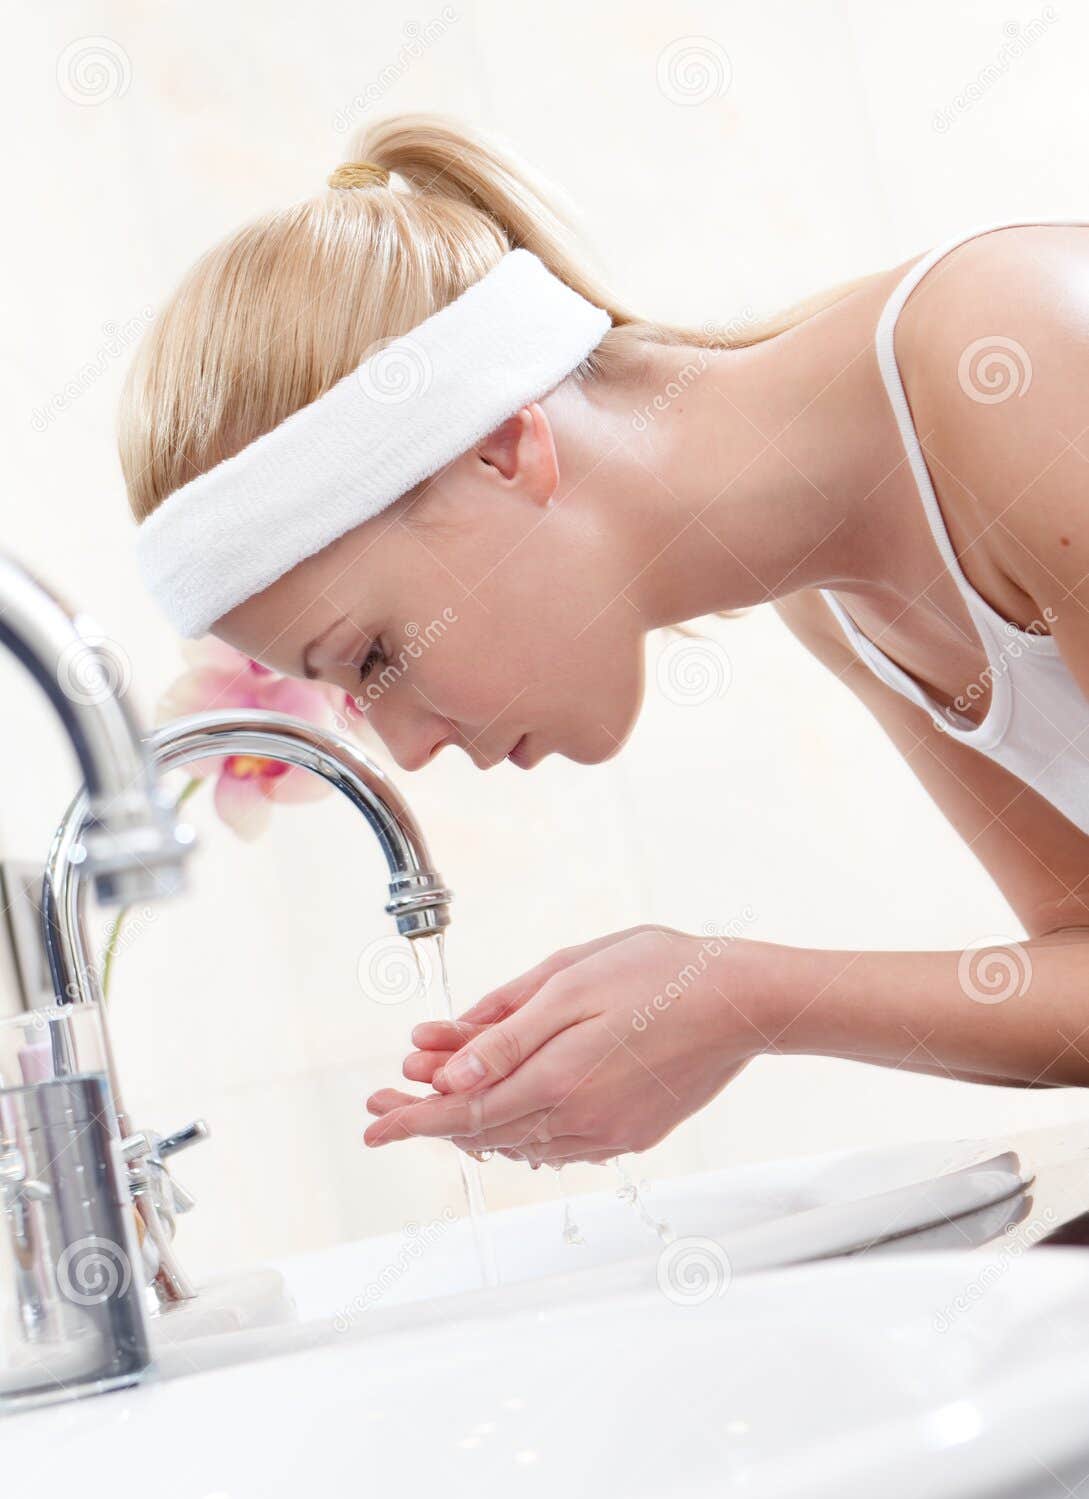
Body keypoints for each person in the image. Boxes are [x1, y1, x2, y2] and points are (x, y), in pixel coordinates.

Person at [118, 113, 1089, 1169]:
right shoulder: (835, 594)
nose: (406, 749)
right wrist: (729, 1002)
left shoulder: (1016, 357)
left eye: (374, 657)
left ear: (501, 449)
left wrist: (744, 990)